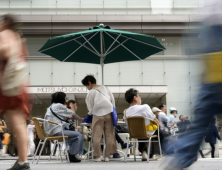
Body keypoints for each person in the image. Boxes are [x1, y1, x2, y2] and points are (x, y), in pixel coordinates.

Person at [159, 1, 222, 169]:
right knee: (202, 117)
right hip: (212, 31)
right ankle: (179, 156)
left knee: (201, 120)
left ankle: (179, 157)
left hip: (209, 29)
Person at [0, 15, 31, 170]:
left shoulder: (5, 34)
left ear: (5, 22)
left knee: (17, 123)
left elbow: (5, 52)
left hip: (8, 84)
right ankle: (22, 161)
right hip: (18, 84)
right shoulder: (18, 37)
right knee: (19, 124)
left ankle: (22, 162)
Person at [82, 75, 117, 162]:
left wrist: (92, 112)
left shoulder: (91, 93)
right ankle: (107, 156)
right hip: (109, 113)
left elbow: (89, 106)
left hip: (97, 114)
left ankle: (98, 156)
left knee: (96, 136)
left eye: (86, 85)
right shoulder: (105, 88)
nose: (87, 88)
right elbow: (112, 100)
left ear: (89, 83)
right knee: (109, 135)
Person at [44, 92, 84, 163]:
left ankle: (71, 154)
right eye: (65, 97)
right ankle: (72, 155)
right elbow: (72, 113)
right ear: (62, 98)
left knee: (73, 137)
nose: (66, 99)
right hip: (57, 131)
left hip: (52, 131)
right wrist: (72, 106)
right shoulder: (59, 105)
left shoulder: (51, 106)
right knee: (79, 135)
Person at [124, 88, 161, 161]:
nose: (140, 98)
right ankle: (150, 154)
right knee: (158, 131)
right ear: (135, 98)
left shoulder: (125, 111)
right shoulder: (145, 107)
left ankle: (144, 151)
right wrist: (160, 125)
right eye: (139, 96)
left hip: (134, 133)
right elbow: (154, 118)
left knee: (141, 131)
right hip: (146, 132)